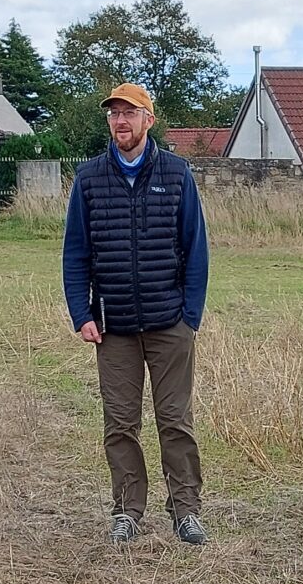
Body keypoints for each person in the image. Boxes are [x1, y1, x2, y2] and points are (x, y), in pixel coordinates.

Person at [61, 82, 212, 545]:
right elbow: (76, 254)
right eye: (113, 114)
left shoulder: (178, 172)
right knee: (120, 422)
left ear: (149, 120)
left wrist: (189, 317)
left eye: (130, 113)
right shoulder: (89, 178)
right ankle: (127, 508)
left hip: (170, 325)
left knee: (175, 421)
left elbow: (196, 250)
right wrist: (80, 312)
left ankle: (185, 509)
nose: (120, 121)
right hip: (115, 328)